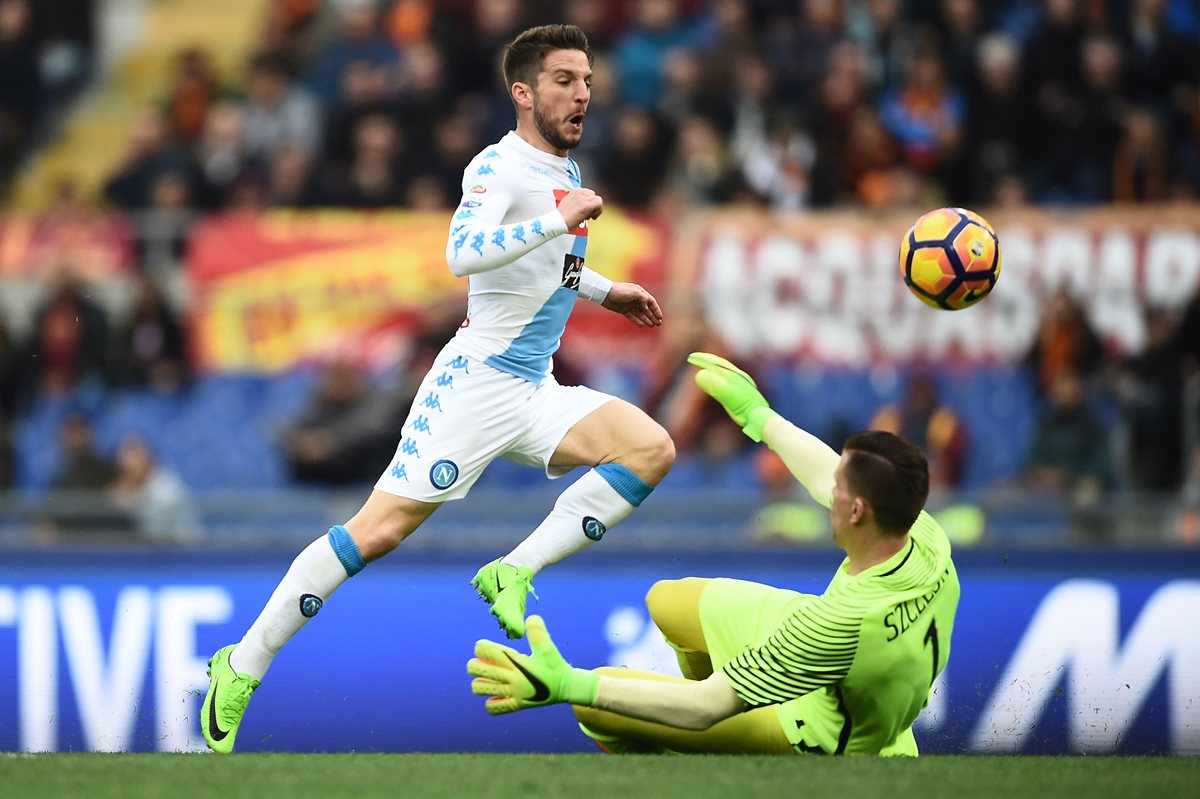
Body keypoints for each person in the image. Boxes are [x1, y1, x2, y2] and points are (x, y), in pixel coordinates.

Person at [201, 24, 674, 754]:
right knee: (378, 530)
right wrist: (558, 219)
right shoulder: (498, 167)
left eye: (586, 80)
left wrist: (607, 291)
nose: (583, 93)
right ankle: (244, 662)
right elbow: (462, 254)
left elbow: (546, 267)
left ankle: (515, 568)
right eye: (564, 80)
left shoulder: (569, 178)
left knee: (650, 448)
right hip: (474, 384)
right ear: (523, 93)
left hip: (533, 388)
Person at [468, 352, 960, 756]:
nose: (825, 487)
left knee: (597, 704)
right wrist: (758, 416)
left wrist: (567, 684)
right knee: (668, 602)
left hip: (824, 734)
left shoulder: (837, 626)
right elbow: (824, 470)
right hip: (856, 668)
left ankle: (704, 766)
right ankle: (706, 743)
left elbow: (705, 704)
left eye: (837, 487)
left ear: (856, 512)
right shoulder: (923, 534)